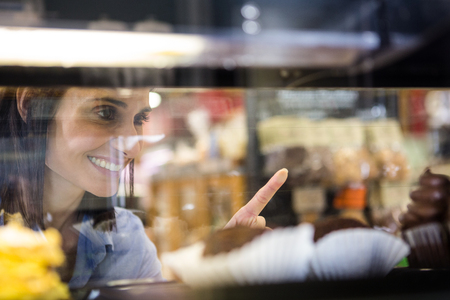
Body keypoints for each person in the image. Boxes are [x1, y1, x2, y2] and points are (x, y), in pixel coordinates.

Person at [0, 87, 288, 288]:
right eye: (105, 113)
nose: (134, 144)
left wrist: (217, 268)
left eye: (139, 119)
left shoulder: (126, 237)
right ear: (29, 105)